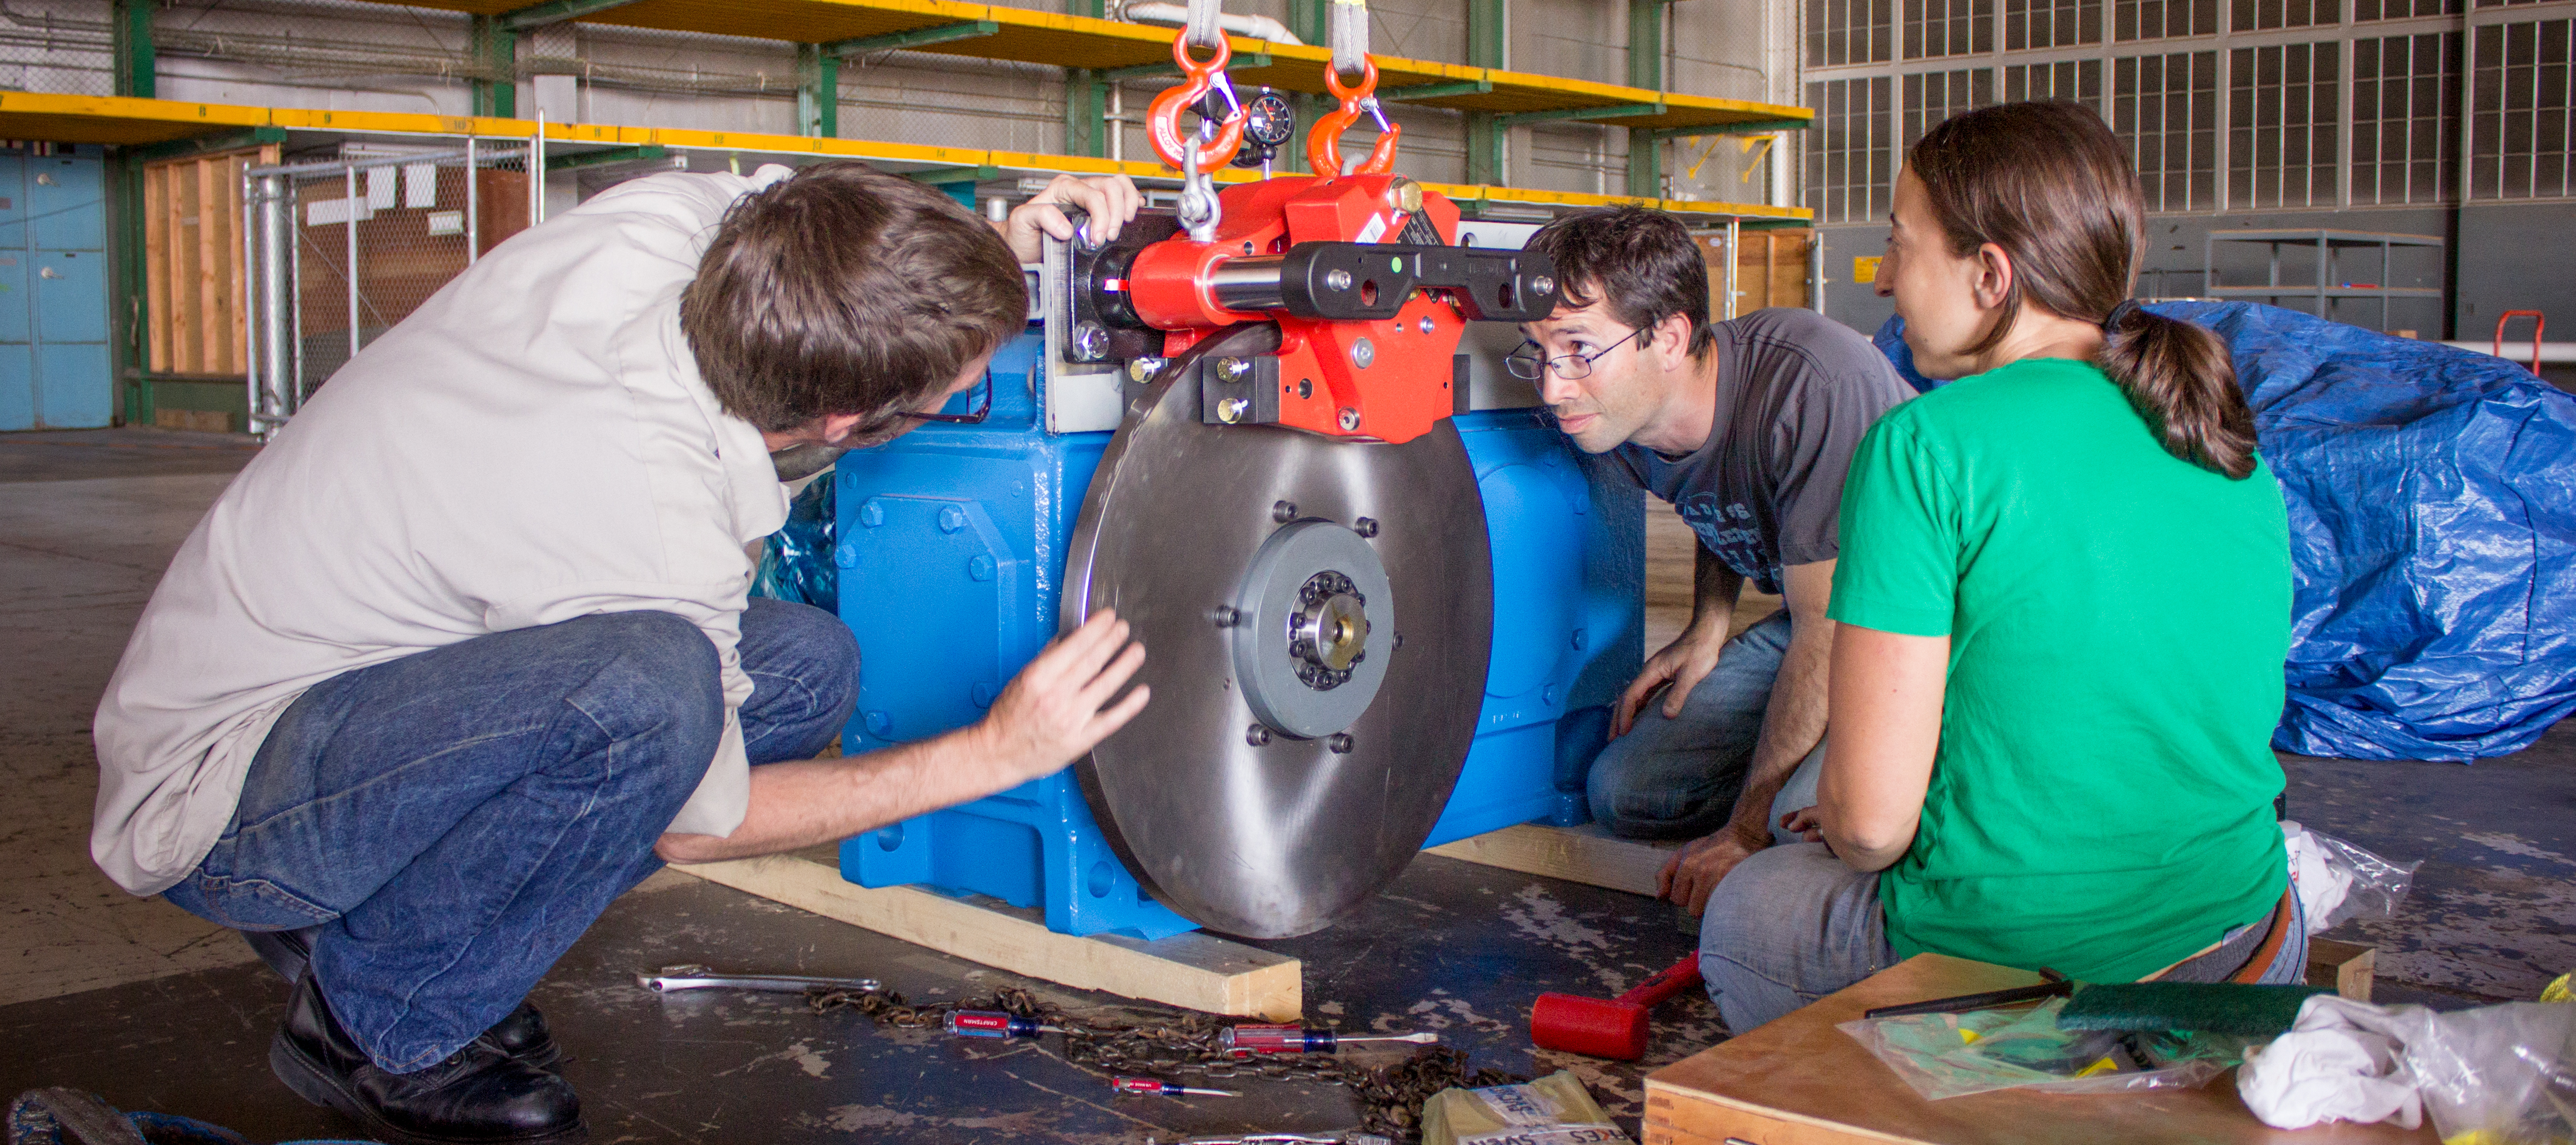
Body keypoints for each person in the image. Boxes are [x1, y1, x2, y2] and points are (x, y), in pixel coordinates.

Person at [91, 161, 1150, 1145]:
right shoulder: (645, 505)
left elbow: (845, 245)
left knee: (801, 665)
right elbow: (704, 827)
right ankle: (381, 1021)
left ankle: (393, 929)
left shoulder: (681, 228)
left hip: (367, 689)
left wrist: (985, 256)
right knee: (649, 697)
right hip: (223, 795)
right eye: (945, 396)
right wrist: (992, 755)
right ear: (843, 418)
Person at [1697, 100, 2304, 1033]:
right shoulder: (2220, 440)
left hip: (2045, 980)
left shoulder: (1926, 444)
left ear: (1989, 274)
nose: (1886, 279)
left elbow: (1865, 830)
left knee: (1750, 905)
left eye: (1901, 245)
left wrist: (1865, 831)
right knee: (1805, 810)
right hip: (2252, 940)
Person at [1515, 207, 1913, 914]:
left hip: (1920, 630)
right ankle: (1810, 764)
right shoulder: (1629, 414)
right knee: (1625, 794)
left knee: (1804, 828)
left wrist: (1746, 829)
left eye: (1578, 349)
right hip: (1815, 615)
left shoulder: (1810, 383)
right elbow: (1714, 487)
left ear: (1666, 336)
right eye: (1539, 352)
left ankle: (1889, 770)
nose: (1552, 386)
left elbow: (1829, 627)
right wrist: (1708, 625)